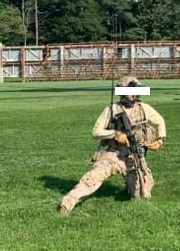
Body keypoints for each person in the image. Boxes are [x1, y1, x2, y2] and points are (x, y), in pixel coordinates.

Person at [59, 77, 166, 214]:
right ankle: (67, 204)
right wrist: (116, 135)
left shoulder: (143, 108)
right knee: (93, 178)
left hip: (134, 157)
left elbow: (160, 121)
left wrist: (160, 140)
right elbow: (96, 132)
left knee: (142, 194)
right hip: (113, 155)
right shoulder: (111, 110)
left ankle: (130, 186)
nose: (134, 93)